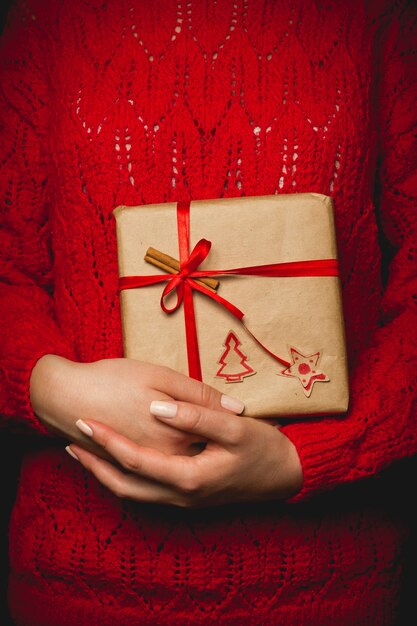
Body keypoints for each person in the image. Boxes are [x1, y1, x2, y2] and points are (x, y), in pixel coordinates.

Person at [1, 0, 416, 624]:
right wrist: (50, 386)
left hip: (331, 579)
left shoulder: (378, 17)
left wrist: (307, 459)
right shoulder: (45, 19)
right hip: (77, 574)